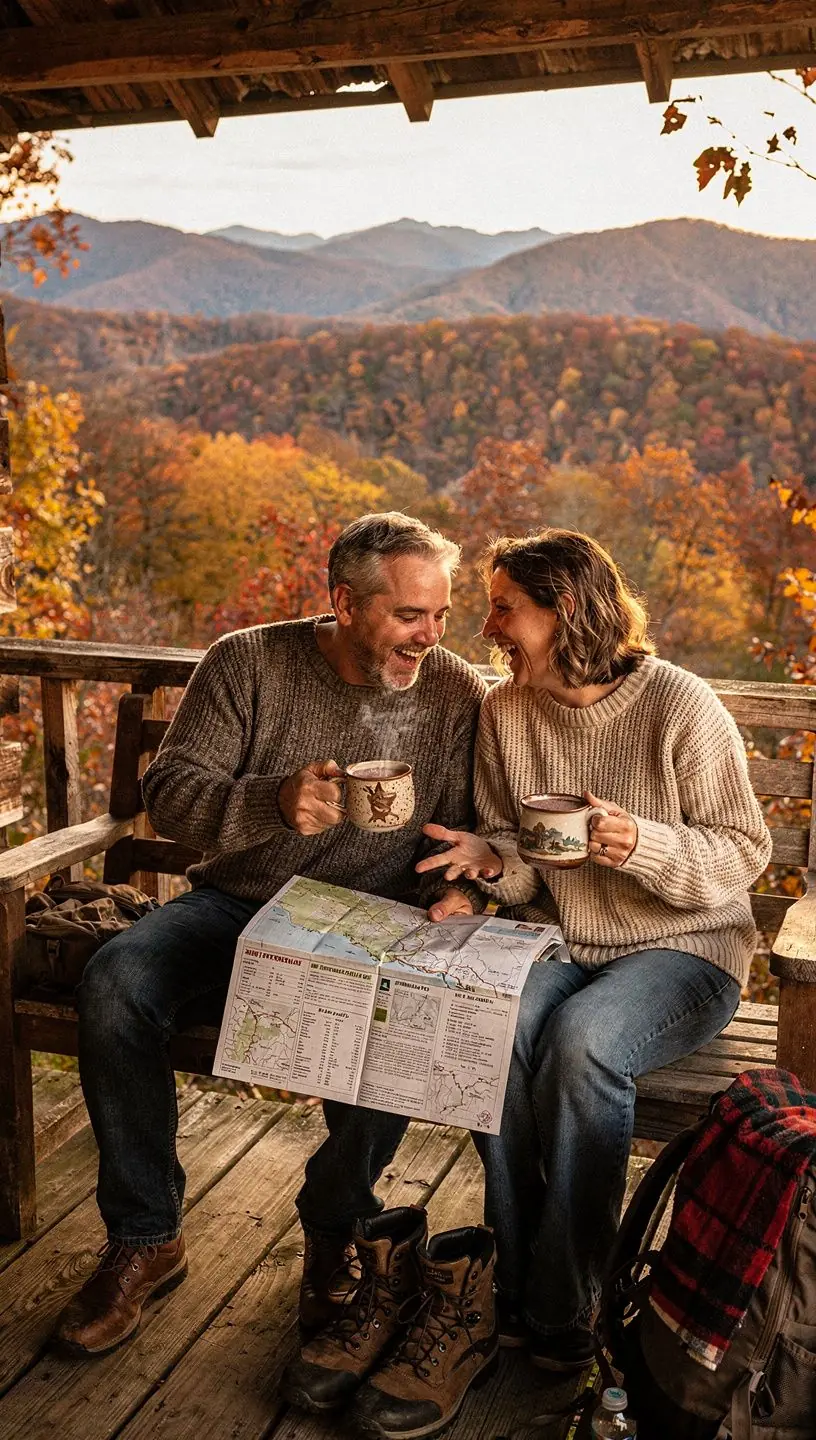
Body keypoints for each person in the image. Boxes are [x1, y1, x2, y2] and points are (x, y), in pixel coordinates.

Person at [53, 511, 486, 1358]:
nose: (429, 638)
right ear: (345, 602)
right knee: (115, 983)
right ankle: (146, 1237)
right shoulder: (247, 661)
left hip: (375, 922)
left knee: (410, 1020)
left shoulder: (455, 690)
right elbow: (171, 792)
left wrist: (466, 887)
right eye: (409, 616)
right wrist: (269, 803)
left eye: (440, 616)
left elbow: (473, 824)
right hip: (240, 904)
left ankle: (335, 1225)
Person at [417, 527, 772, 1372]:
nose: (491, 628)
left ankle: (567, 1306)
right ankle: (525, 1281)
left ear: (564, 608)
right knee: (487, 1025)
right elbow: (515, 843)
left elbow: (742, 851)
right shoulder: (506, 712)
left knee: (581, 1044)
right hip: (563, 942)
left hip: (686, 948)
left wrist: (641, 843)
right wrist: (490, 859)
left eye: (506, 609)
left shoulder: (679, 707)